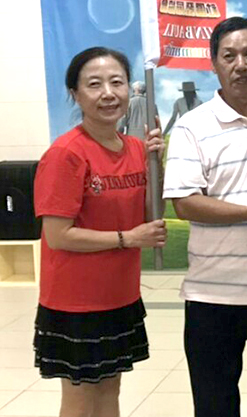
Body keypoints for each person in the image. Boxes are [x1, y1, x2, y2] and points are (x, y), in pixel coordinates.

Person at [163, 17, 247, 417]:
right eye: (229, 56)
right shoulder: (191, 127)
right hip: (213, 297)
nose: (241, 64)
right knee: (215, 404)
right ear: (214, 65)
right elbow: (185, 203)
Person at [33, 47, 167, 417]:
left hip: (119, 294)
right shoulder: (66, 154)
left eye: (116, 82)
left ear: (128, 89)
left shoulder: (137, 148)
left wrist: (157, 165)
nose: (108, 93)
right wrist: (128, 238)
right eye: (94, 84)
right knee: (80, 399)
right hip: (77, 302)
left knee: (110, 391)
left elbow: (150, 215)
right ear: (75, 94)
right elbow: (58, 235)